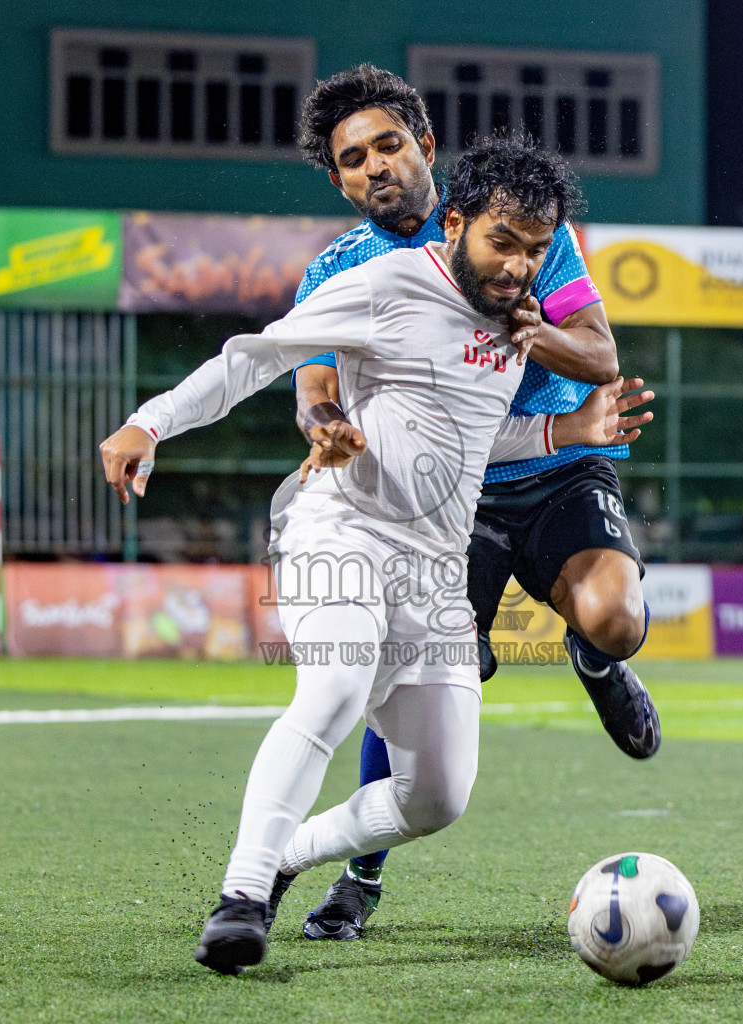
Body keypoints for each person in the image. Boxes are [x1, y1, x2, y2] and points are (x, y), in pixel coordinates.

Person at [98, 135, 651, 975]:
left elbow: (469, 435)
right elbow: (258, 356)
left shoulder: (517, 324)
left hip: (432, 566)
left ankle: (291, 855)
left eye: (535, 253)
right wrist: (152, 421)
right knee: (336, 684)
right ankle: (242, 897)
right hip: (341, 530)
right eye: (502, 243)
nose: (517, 268)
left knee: (436, 798)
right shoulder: (387, 283)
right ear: (457, 223)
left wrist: (563, 430)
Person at [288, 64, 659, 943]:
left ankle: (597, 662)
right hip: (444, 500)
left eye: (388, 143)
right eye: (353, 159)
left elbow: (600, 354)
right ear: (338, 181)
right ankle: (357, 878)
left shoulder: (514, 220)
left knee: (615, 619)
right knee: (413, 685)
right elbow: (311, 386)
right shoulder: (339, 270)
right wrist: (326, 423)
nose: (376, 166)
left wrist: (541, 334)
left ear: (424, 145)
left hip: (560, 464)